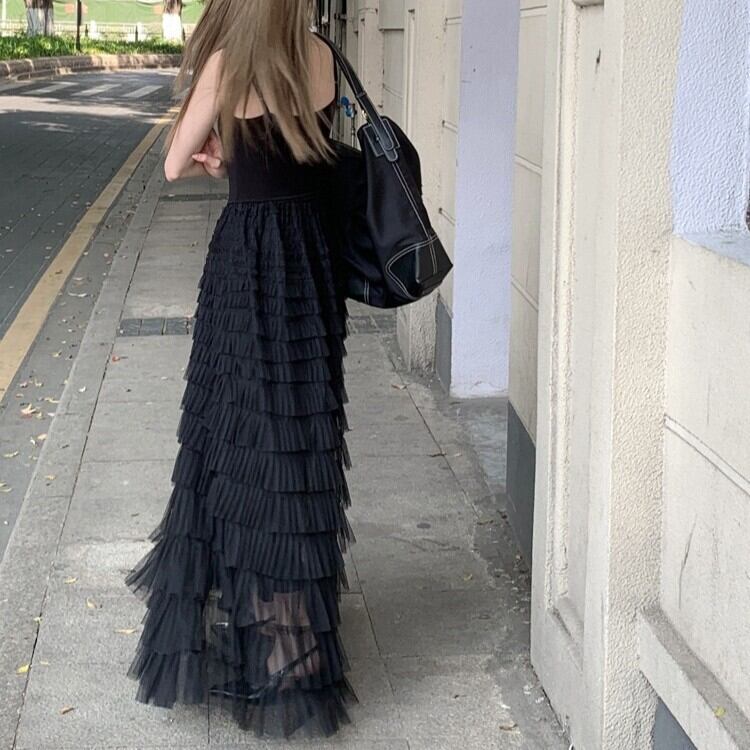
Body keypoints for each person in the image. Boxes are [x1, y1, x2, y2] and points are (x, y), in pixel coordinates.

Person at [124, 0, 358, 739]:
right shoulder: (321, 55)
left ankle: (266, 631)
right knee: (298, 437)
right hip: (309, 263)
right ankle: (297, 637)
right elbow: (306, 157)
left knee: (240, 439)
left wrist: (219, 153)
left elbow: (171, 164)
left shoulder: (228, 65)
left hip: (249, 265)